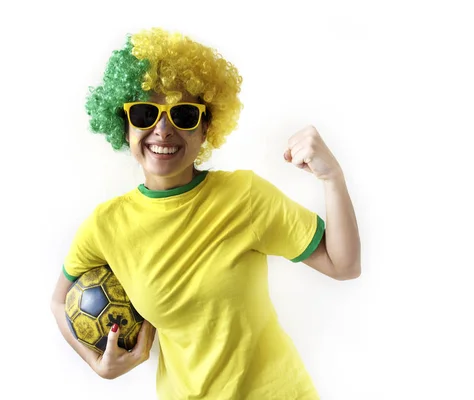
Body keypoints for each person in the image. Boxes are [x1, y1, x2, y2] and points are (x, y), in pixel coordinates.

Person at [50, 27, 361, 400]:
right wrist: (94, 362)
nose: (162, 130)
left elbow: (343, 266)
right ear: (126, 123)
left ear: (205, 128)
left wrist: (332, 178)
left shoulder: (244, 196)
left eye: (183, 115)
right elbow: (58, 300)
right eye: (146, 113)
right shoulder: (105, 226)